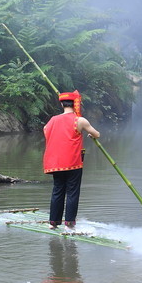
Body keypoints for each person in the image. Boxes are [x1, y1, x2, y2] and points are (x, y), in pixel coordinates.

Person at [43, 91, 100, 230]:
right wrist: (89, 135)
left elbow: (45, 130)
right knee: (72, 192)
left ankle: (54, 223)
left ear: (62, 104)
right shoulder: (80, 120)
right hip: (73, 163)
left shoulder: (52, 120)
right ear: (76, 104)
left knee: (57, 190)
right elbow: (96, 134)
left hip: (56, 163)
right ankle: (69, 224)